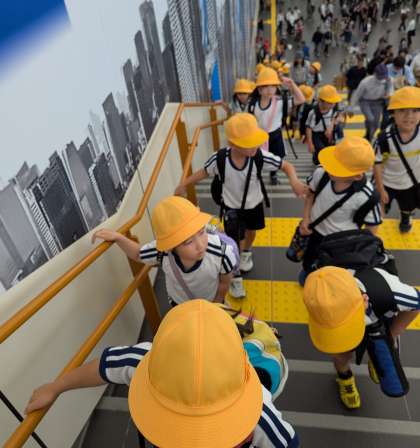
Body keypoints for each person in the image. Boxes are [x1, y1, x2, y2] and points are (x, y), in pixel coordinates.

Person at [26, 300, 300, 448]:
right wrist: (55, 387)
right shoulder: (149, 363)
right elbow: (103, 367)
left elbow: (105, 365)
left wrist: (57, 386)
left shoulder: (260, 415)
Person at [176, 113, 307, 279]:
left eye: (255, 141)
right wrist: (184, 184)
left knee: (251, 232)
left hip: (254, 205)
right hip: (231, 206)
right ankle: (235, 265)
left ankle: (246, 251)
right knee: (235, 238)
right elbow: (203, 172)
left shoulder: (259, 156)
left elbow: (286, 166)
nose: (255, 146)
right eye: (248, 143)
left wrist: (294, 181)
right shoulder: (220, 159)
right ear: (232, 144)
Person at [303, 266, 420, 409]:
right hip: (359, 317)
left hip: (378, 318)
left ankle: (374, 357)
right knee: (341, 355)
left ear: (364, 300)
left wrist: (392, 334)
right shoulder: (321, 295)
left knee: (381, 349)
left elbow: (416, 303)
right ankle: (345, 377)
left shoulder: (390, 291)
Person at [92, 196, 234, 306]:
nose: (200, 245)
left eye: (202, 232)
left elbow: (224, 283)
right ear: (171, 246)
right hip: (180, 305)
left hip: (213, 302)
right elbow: (138, 254)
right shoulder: (163, 253)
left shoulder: (222, 253)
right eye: (188, 242)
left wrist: (214, 305)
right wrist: (118, 238)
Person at [299, 137, 382, 280]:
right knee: (309, 261)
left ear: (357, 176)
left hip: (341, 243)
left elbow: (371, 229)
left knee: (332, 273)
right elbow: (310, 194)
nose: (330, 168)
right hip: (314, 231)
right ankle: (308, 271)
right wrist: (306, 218)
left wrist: (358, 250)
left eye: (337, 168)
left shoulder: (368, 196)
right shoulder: (322, 172)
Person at [374, 87, 420, 233]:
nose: (409, 116)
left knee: (407, 206)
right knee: (379, 208)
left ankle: (405, 217)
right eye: (402, 110)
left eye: (415, 110)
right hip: (387, 182)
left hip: (410, 182)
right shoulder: (384, 138)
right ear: (392, 113)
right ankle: (375, 226)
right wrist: (380, 188)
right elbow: (377, 163)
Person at [248, 68, 305, 183]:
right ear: (259, 89)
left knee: (277, 157)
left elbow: (301, 99)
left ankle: (273, 175)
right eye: (266, 86)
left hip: (275, 135)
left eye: (273, 86)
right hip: (259, 136)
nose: (270, 89)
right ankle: (257, 174)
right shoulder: (253, 104)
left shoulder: (280, 102)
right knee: (257, 156)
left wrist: (292, 84)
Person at [349, 63, 394, 142]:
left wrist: (388, 94)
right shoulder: (365, 82)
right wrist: (351, 108)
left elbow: (391, 90)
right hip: (365, 101)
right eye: (380, 76)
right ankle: (369, 137)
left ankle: (369, 136)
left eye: (384, 76)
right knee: (370, 119)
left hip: (378, 102)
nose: (382, 79)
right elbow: (357, 95)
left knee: (376, 124)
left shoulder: (389, 80)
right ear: (375, 73)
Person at [305, 84, 343, 164]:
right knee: (320, 149)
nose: (333, 105)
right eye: (330, 103)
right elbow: (308, 128)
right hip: (316, 134)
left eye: (334, 102)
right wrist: (310, 143)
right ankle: (318, 158)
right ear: (321, 101)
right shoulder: (313, 113)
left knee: (330, 149)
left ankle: (324, 161)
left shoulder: (334, 108)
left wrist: (330, 128)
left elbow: (338, 117)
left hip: (328, 133)